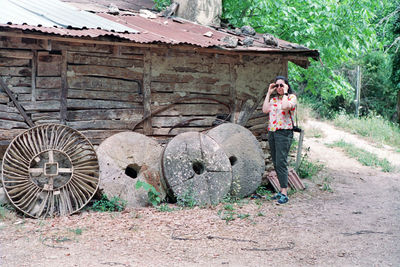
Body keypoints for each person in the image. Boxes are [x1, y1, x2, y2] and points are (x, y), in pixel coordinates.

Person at [262, 76, 297, 204]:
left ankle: (284, 192)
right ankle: (281, 191)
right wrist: (268, 93)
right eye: (277, 86)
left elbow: (285, 107)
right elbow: (265, 110)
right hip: (272, 132)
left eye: (282, 85)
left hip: (284, 132)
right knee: (276, 162)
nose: (279, 88)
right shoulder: (274, 99)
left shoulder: (291, 97)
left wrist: (286, 92)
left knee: (281, 162)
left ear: (286, 86)